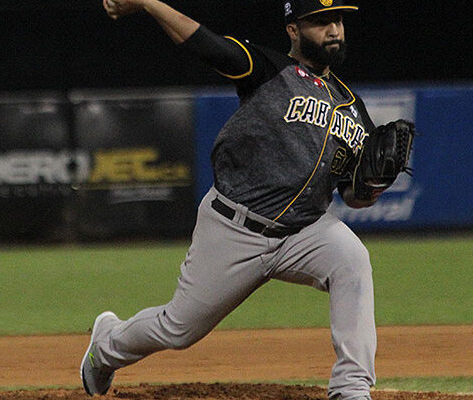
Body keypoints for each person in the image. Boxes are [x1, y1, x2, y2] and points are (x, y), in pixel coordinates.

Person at [82, 1, 387, 399]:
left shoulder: (353, 108)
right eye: (320, 22)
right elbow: (203, 43)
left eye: (338, 20)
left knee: (352, 260)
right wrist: (148, 3)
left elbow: (352, 194)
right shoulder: (269, 69)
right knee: (178, 328)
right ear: (293, 30)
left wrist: (372, 186)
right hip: (235, 227)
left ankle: (351, 387)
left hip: (304, 230)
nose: (333, 30)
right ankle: (106, 345)